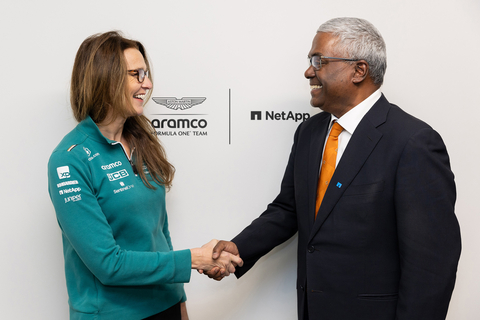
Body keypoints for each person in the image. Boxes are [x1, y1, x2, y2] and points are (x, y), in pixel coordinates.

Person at [206, 17, 461, 320]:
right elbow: (288, 209)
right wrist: (237, 248)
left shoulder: (413, 142)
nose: (308, 71)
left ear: (359, 70)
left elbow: (431, 265)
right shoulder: (310, 132)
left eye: (319, 61)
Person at [47, 31, 242, 320]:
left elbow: (159, 234)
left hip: (165, 305)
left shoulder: (140, 141)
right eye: (136, 74)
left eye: (146, 73)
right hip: (113, 314)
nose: (147, 84)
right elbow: (108, 264)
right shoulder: (70, 160)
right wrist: (195, 258)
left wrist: (179, 300)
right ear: (105, 78)